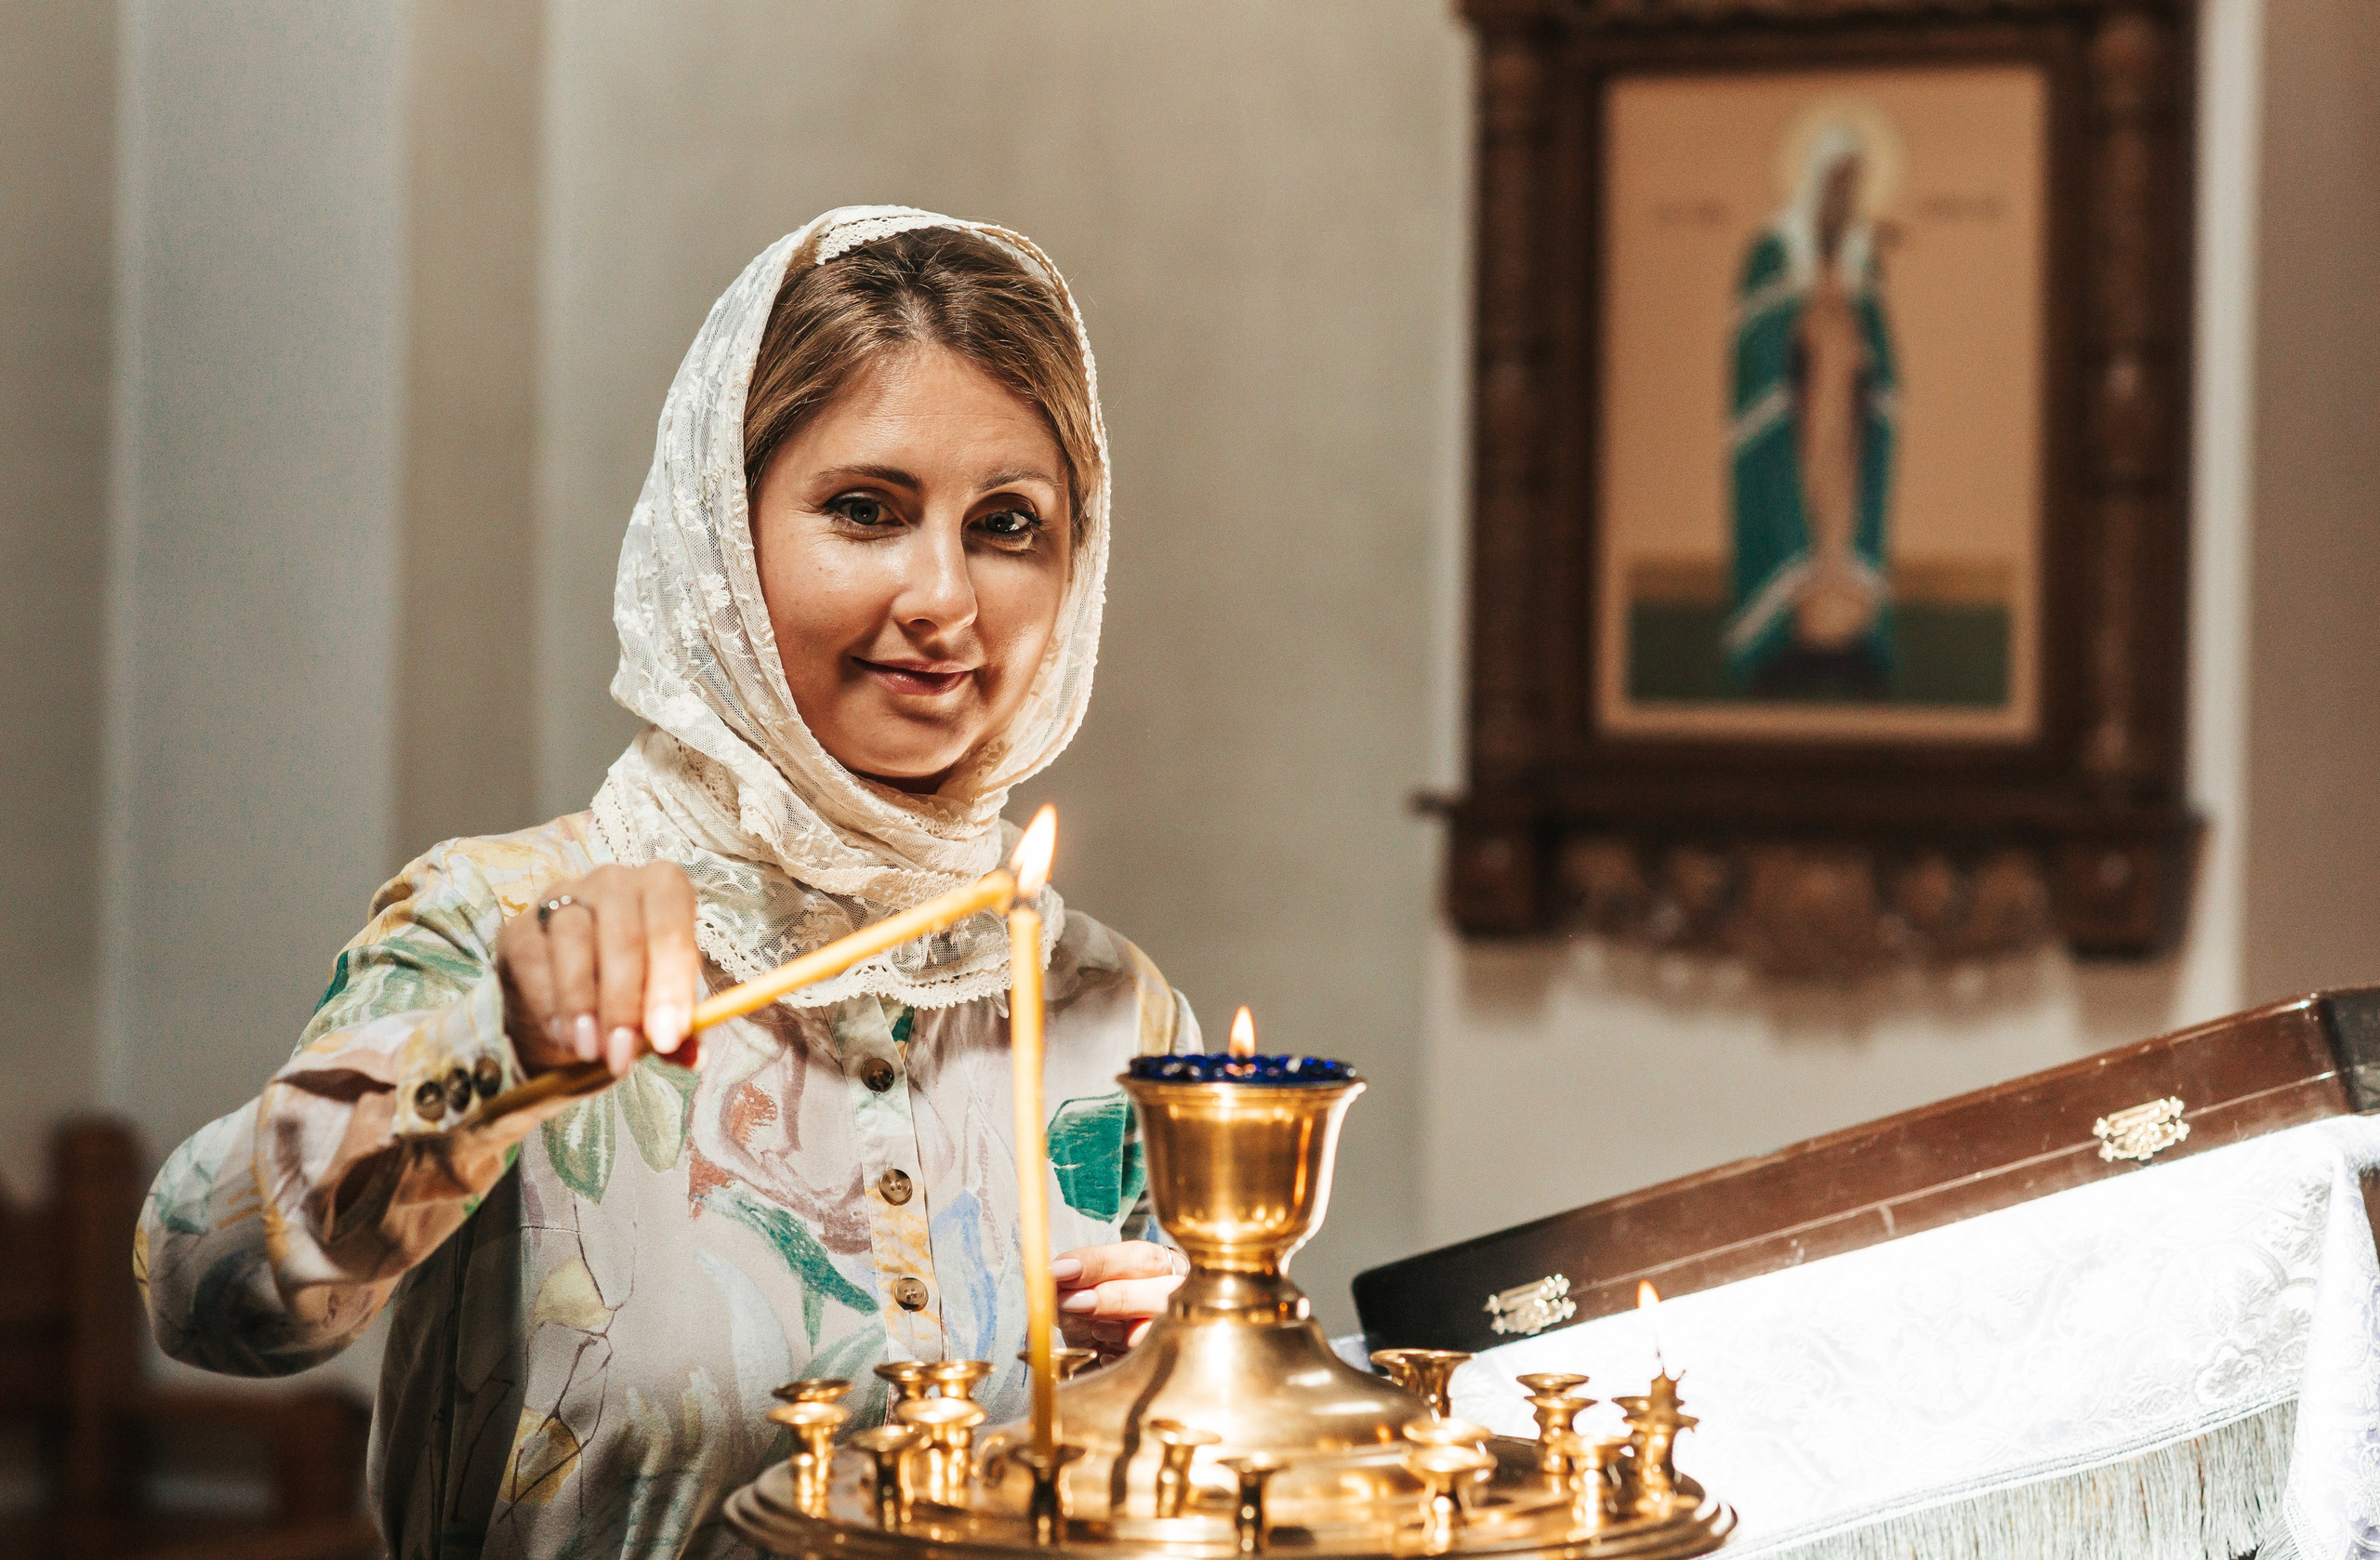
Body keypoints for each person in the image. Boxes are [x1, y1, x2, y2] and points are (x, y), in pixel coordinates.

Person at [139, 207, 1196, 1559]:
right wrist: (495, 1058)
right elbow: (203, 1289)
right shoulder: (508, 923)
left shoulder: (1111, 1003)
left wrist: (1187, 1378)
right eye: (865, 510)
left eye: (1007, 524)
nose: (946, 598)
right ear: (723, 530)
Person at [1724, 122, 1900, 698]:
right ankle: (1784, 637)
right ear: (1815, 182)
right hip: (1792, 418)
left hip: (1845, 416)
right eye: (1836, 183)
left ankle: (1844, 633)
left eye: (1854, 185)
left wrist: (1855, 339)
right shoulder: (1772, 248)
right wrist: (1803, 326)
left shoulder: (1859, 255)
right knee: (1795, 505)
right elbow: (1756, 341)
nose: (1844, 198)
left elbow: (1880, 348)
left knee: (1840, 514)